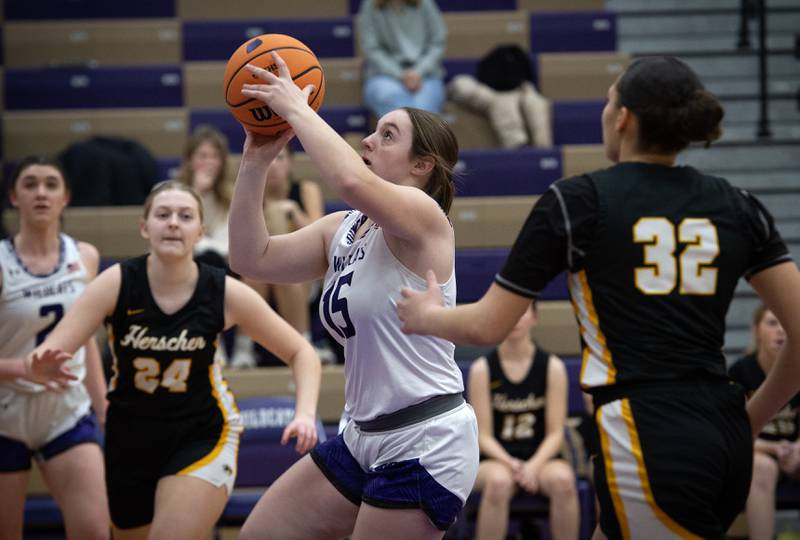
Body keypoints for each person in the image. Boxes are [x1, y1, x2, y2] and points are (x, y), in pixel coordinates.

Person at [398, 56, 800, 539]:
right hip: (719, 431)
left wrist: (427, 315)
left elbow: (488, 326)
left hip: (643, 432)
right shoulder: (738, 202)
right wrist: (746, 423)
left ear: (624, 118)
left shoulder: (579, 202)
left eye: (609, 102)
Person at [229, 51, 479, 539]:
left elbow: (348, 179)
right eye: (374, 129)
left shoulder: (424, 218)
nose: (368, 139)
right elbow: (249, 258)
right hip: (362, 435)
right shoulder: (342, 229)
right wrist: (255, 161)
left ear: (422, 165)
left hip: (424, 438)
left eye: (388, 135)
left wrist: (296, 107)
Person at [31, 180, 321, 540]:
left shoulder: (223, 290)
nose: (172, 223)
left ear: (200, 231)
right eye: (163, 215)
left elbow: (301, 351)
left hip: (203, 434)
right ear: (144, 227)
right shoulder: (117, 283)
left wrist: (306, 413)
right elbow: (53, 350)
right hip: (129, 440)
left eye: (185, 216)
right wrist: (42, 365)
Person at [0, 156, 109, 540]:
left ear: (66, 197)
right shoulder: (1, 261)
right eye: (30, 184)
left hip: (66, 407)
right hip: (6, 411)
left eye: (51, 184)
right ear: (14, 197)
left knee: (95, 531)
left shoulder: (85, 256)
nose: (41, 192)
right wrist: (23, 369)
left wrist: (102, 404)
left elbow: (87, 339)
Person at [469, 305, 579, 540]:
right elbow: (483, 436)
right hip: (496, 459)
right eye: (509, 311)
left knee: (564, 481)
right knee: (498, 483)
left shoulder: (552, 367)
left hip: (542, 458)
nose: (515, 318)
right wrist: (512, 463)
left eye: (523, 311)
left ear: (535, 318)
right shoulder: (482, 369)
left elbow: (555, 434)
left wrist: (533, 466)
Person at [229, 144, 329, 367]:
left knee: (287, 277)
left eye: (280, 158)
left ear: (291, 163)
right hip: (260, 281)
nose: (274, 165)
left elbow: (321, 233)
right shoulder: (250, 193)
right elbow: (240, 244)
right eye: (270, 159)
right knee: (254, 277)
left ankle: (304, 347)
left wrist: (293, 211)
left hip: (302, 280)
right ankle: (243, 351)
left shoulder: (305, 189)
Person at [729, 304, 797, 540]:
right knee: (762, 467)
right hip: (756, 452)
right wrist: (774, 449)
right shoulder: (741, 371)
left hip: (793, 452)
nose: (780, 330)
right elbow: (731, 433)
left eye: (784, 324)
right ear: (757, 330)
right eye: (771, 323)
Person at [358, 0, 447, 118]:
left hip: (425, 75)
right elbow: (371, 49)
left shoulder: (425, 3)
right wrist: (400, 74)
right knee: (393, 102)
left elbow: (437, 43)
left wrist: (418, 72)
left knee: (424, 111)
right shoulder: (370, 5)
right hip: (384, 75)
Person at [175, 124, 233, 266]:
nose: (209, 162)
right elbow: (180, 234)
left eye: (215, 157)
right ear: (189, 161)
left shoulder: (232, 196)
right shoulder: (171, 193)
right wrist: (197, 192)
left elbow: (226, 243)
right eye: (203, 156)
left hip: (224, 264)